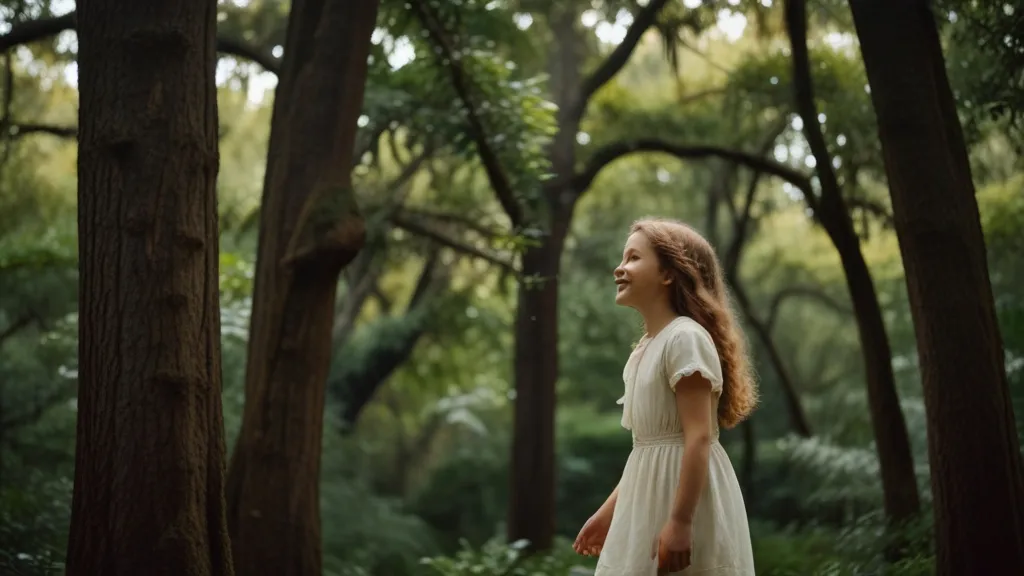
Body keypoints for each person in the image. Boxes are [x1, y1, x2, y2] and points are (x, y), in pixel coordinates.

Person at [573, 218, 758, 575]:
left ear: (669, 273)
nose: (619, 267)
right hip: (646, 504)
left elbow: (698, 437)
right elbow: (646, 451)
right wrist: (608, 513)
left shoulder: (684, 339)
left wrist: (681, 522)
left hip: (684, 503)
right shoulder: (645, 349)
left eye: (633, 258)